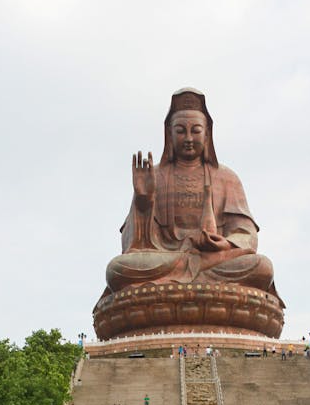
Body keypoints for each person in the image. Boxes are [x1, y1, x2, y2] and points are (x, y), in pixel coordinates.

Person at [102, 88, 278, 297]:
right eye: (180, 130)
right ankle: (187, 280)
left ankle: (178, 283)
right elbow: (133, 245)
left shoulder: (226, 177)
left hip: (213, 260)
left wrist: (225, 243)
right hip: (167, 258)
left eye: (195, 130)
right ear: (169, 134)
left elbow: (247, 235)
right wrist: (143, 201)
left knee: (262, 267)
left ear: (207, 133)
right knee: (118, 270)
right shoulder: (155, 176)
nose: (188, 138)